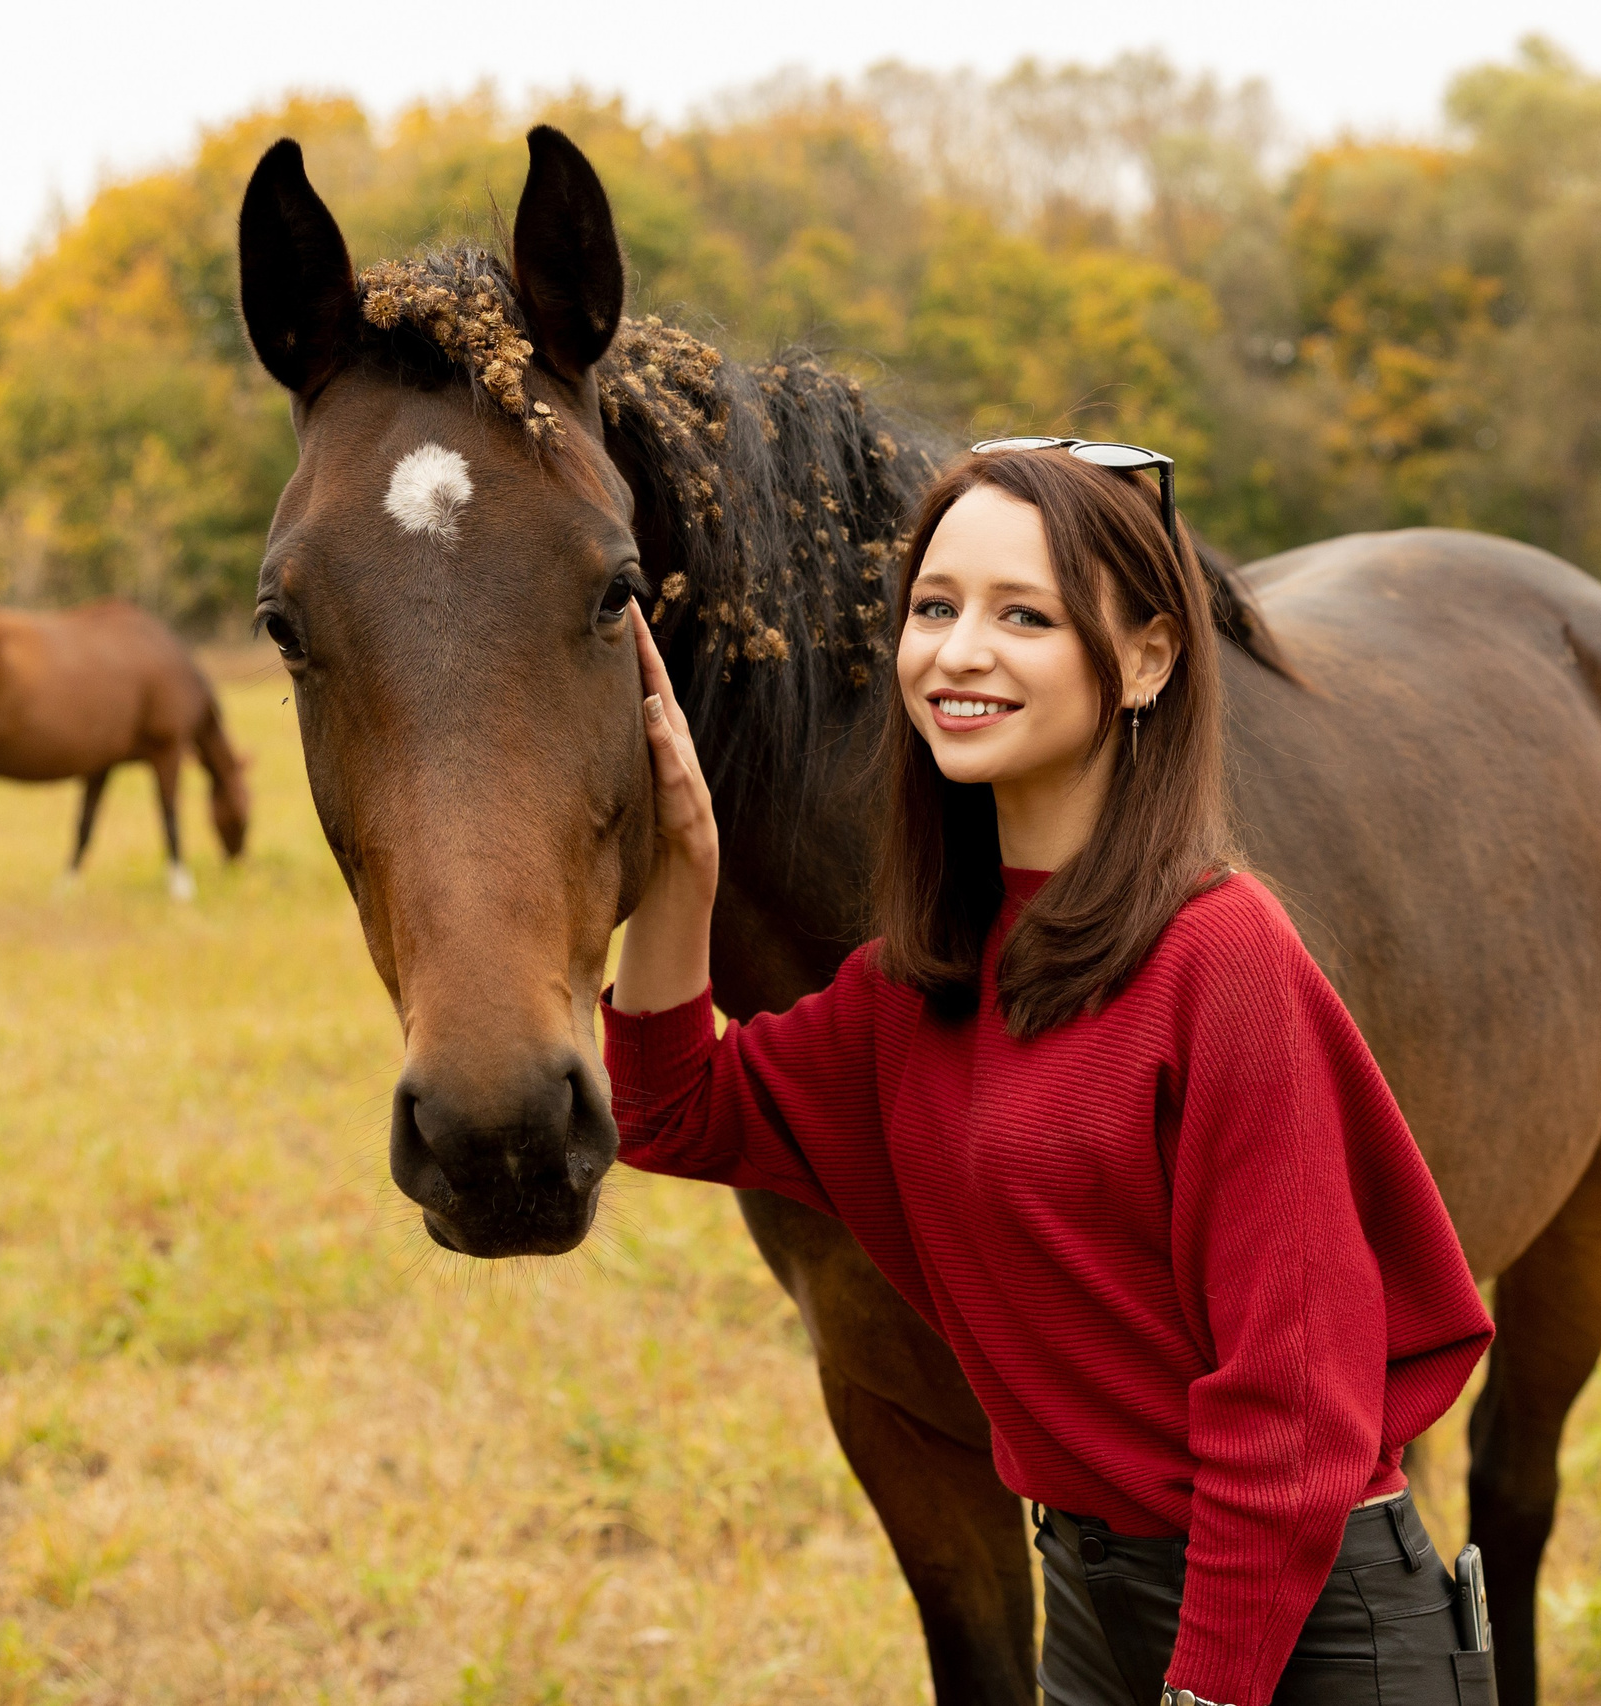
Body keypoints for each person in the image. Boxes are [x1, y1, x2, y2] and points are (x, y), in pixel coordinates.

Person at [605, 438, 1496, 1706]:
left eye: (1022, 613)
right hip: (1092, 1604)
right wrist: (678, 866)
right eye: (934, 606)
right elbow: (667, 1107)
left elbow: (1290, 1408)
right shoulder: (917, 984)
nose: (959, 651)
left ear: (1144, 656)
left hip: (1302, 1631)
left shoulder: (1220, 954)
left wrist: (1208, 1689)